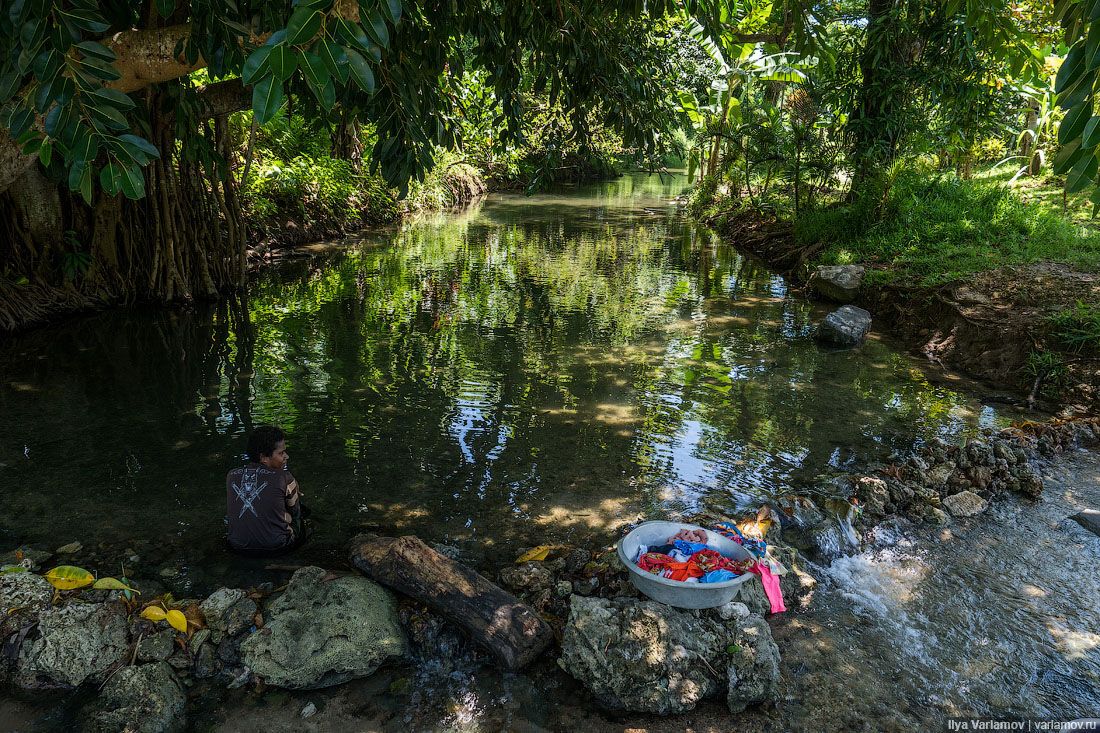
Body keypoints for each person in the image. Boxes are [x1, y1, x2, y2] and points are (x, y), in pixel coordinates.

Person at [226, 425, 307, 555]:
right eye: (281, 453)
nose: (286, 456)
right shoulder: (284, 477)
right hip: (277, 547)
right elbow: (295, 512)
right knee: (300, 518)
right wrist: (293, 487)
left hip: (237, 547)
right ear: (263, 457)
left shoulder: (231, 475)